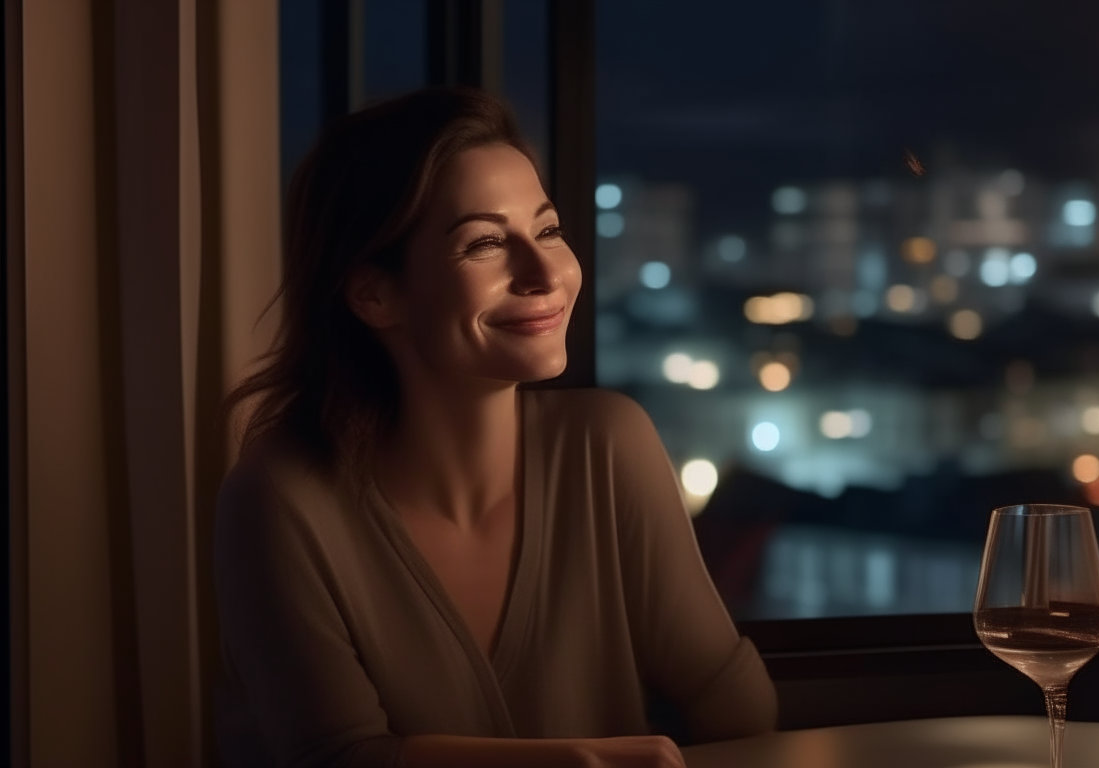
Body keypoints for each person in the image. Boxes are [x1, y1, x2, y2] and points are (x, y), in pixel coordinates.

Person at [213, 87, 777, 768]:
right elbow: (335, 755)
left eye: (548, 230)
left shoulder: (607, 445)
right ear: (373, 294)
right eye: (484, 243)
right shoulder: (281, 498)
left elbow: (739, 714)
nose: (546, 274)